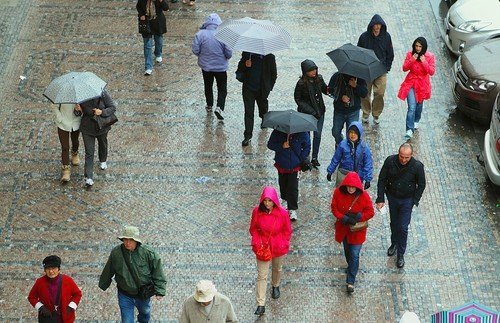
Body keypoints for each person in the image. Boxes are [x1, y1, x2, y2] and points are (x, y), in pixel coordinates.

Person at [99, 226, 167, 323]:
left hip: (143, 294)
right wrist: (103, 284)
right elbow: (109, 269)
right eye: (125, 239)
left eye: (130, 240)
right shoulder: (116, 252)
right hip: (125, 294)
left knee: (145, 314)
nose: (127, 243)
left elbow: (157, 271)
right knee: (127, 320)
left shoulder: (148, 253)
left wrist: (160, 290)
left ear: (136, 241)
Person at [376, 143, 426, 268]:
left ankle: (401, 254)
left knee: (403, 227)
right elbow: (382, 179)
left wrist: (415, 200)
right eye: (401, 156)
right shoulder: (390, 161)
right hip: (392, 197)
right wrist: (380, 198)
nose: (403, 160)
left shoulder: (417, 166)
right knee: (394, 223)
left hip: (407, 200)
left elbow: (421, 184)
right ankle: (394, 243)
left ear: (411, 156)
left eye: (406, 157)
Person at [249, 186, 292, 316]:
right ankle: (260, 304)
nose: (267, 203)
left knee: (277, 268)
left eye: (270, 200)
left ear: (274, 201)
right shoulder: (257, 212)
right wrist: (257, 241)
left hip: (278, 246)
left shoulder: (283, 213)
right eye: (265, 200)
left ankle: (275, 284)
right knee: (262, 275)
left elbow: (287, 230)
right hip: (263, 247)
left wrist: (284, 242)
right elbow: (253, 229)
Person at [330, 172, 374, 293]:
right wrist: (342, 217)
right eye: (349, 186)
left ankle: (350, 281)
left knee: (354, 254)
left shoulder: (364, 196)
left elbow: (370, 212)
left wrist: (359, 217)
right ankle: (352, 267)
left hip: (357, 232)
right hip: (344, 230)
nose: (350, 189)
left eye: (353, 187)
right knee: (348, 252)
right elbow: (334, 208)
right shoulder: (337, 193)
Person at [192, 13, 233, 119]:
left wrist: (203, 56)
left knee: (208, 85)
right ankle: (219, 107)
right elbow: (229, 54)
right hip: (220, 68)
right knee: (222, 88)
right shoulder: (223, 35)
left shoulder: (200, 34)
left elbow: (195, 50)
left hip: (206, 67)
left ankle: (209, 105)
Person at [357, 14, 394, 124]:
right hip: (367, 70)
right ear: (371, 26)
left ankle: (376, 113)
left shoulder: (386, 37)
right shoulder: (364, 37)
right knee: (365, 93)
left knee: (380, 93)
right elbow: (359, 52)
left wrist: (387, 67)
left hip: (380, 70)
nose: (377, 27)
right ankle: (366, 112)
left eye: (379, 25)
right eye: (375, 25)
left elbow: (390, 54)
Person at [235, 52, 277, 146]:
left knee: (262, 107)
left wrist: (269, 88)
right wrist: (246, 66)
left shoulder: (270, 57)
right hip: (248, 89)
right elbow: (239, 72)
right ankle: (247, 136)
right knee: (249, 112)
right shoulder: (247, 55)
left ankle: (263, 118)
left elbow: (273, 74)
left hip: (262, 89)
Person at [267, 130, 311, 221]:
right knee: (283, 185)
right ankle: (284, 200)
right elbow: (270, 144)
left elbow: (307, 146)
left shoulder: (303, 132)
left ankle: (292, 208)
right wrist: (281, 146)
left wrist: (301, 158)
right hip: (282, 164)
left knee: (293, 187)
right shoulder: (278, 132)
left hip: (295, 166)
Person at [397, 37, 435, 140]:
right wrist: (412, 59)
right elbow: (404, 68)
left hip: (422, 85)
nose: (418, 48)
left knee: (419, 105)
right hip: (411, 83)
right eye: (416, 46)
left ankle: (416, 120)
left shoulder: (430, 56)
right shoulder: (410, 54)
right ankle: (409, 130)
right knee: (412, 107)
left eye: (420, 46)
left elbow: (431, 71)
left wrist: (424, 62)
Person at [77, 90, 116, 188]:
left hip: (101, 126)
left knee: (103, 144)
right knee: (89, 152)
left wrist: (102, 112)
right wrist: (77, 110)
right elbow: (78, 115)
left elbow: (112, 107)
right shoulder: (80, 97)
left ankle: (103, 160)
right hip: (87, 128)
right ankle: (88, 177)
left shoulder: (102, 93)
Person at [294, 59, 328, 168]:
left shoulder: (319, 79)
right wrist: (311, 111)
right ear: (305, 71)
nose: (314, 72)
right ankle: (306, 157)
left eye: (315, 69)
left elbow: (325, 89)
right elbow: (298, 99)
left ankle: (315, 157)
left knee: (317, 135)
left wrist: (330, 89)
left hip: (320, 112)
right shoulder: (301, 83)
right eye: (310, 70)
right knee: (306, 137)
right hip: (307, 115)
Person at [28, 255, 82, 322]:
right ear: (44, 270)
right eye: (48, 268)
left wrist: (72, 306)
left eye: (53, 268)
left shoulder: (68, 280)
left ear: (58, 269)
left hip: (65, 317)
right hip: (47, 318)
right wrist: (41, 307)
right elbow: (31, 297)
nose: (51, 271)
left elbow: (77, 294)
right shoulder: (40, 282)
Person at [326, 121, 373, 189]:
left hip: (358, 177)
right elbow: (336, 159)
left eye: (355, 133)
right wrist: (330, 171)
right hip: (344, 175)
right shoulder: (343, 145)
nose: (353, 135)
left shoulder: (364, 147)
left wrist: (368, 179)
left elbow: (368, 163)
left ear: (359, 134)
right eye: (351, 132)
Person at [328, 73, 368, 146]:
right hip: (339, 110)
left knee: (352, 133)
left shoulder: (359, 78)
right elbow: (329, 91)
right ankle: (340, 143)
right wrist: (341, 97)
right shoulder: (337, 76)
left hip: (353, 111)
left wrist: (355, 86)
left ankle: (349, 150)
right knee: (335, 132)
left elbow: (364, 93)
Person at [136, 0, 169, 76]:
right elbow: (138, 6)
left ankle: (158, 54)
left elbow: (166, 8)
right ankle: (148, 67)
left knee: (159, 41)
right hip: (146, 23)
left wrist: (161, 1)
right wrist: (141, 15)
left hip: (158, 23)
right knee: (147, 45)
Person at [52, 103, 82, 183]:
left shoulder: (79, 94)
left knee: (75, 141)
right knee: (65, 147)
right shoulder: (62, 93)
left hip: (76, 122)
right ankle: (66, 170)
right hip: (63, 123)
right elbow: (54, 106)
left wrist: (79, 109)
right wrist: (60, 118)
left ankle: (75, 153)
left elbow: (85, 107)